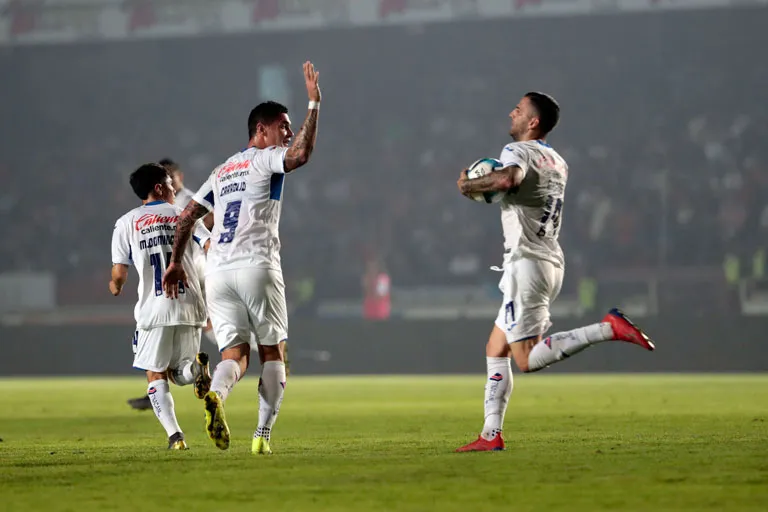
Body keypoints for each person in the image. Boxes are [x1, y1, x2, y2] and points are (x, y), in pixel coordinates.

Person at [455, 92, 655, 452]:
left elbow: (508, 180)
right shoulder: (558, 161)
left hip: (527, 265)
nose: (511, 113)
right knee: (496, 346)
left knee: (525, 359)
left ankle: (607, 328)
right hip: (548, 260)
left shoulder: (516, 151)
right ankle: (490, 434)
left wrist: (468, 185)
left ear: (533, 122)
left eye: (518, 110)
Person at [162, 61, 321, 455]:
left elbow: (186, 217)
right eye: (283, 126)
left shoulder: (222, 170)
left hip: (218, 273)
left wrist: (175, 262)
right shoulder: (265, 157)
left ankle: (217, 396)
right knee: (273, 352)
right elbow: (300, 155)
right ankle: (262, 437)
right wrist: (314, 104)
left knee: (233, 355)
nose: (288, 133)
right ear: (261, 131)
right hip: (257, 266)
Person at [110, 163, 213, 449]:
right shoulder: (186, 215)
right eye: (170, 184)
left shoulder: (126, 223)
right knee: (180, 373)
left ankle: (175, 436)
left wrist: (115, 286)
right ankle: (196, 371)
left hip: (154, 310)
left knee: (156, 374)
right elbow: (210, 246)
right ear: (158, 187)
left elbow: (119, 273)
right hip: (191, 306)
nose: (174, 189)